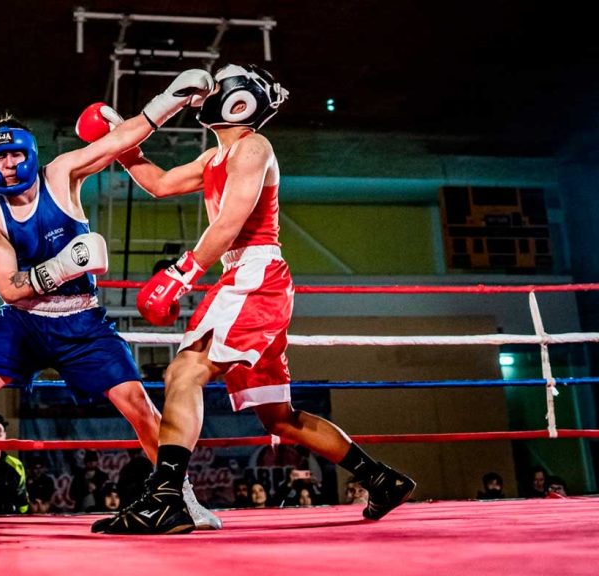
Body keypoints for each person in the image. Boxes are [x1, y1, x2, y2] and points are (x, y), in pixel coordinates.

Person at [90, 64, 416, 534]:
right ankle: (381, 479)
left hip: (254, 276)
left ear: (239, 100)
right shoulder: (215, 156)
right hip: (249, 278)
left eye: (217, 85)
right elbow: (159, 183)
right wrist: (123, 143)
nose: (206, 93)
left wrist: (182, 274)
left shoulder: (253, 146)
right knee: (279, 417)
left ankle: (166, 500)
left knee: (184, 372)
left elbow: (229, 223)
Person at [0, 69, 222, 532]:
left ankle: (180, 495)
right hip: (23, 324)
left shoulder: (62, 174)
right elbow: (9, 288)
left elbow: (119, 139)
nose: (9, 165)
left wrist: (170, 98)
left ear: (29, 154)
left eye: (15, 154)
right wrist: (65, 265)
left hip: (82, 323)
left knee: (140, 407)